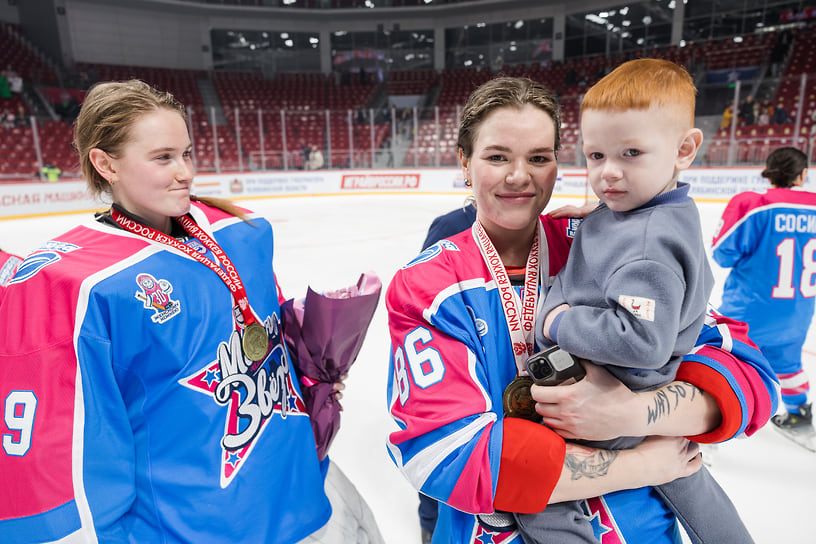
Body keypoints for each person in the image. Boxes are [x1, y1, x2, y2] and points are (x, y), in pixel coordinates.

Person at [385, 76, 777, 544]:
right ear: (465, 163)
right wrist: (639, 464)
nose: (518, 175)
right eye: (496, 157)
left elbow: (749, 373)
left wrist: (634, 415)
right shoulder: (429, 284)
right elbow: (444, 455)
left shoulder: (606, 245)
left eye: (538, 157)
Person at [0, 79, 383, 544]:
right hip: (198, 527)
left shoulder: (240, 230)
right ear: (105, 164)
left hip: (302, 486)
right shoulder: (83, 286)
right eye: (163, 157)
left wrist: (308, 367)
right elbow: (82, 451)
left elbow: (265, 324)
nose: (184, 172)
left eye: (187, 153)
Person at [526, 58, 751, 544]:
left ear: (684, 149)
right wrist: (600, 216)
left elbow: (642, 340)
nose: (608, 174)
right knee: (684, 478)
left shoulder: (650, 245)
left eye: (631, 153)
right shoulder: (641, 212)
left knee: (536, 493)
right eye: (595, 156)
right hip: (622, 391)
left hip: (615, 394)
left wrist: (561, 321)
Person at [713, 146, 815, 432]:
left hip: (749, 311)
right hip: (798, 311)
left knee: (726, 361)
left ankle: (716, 419)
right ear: (803, 174)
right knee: (788, 362)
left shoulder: (755, 205)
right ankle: (800, 412)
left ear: (770, 172)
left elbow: (723, 254)